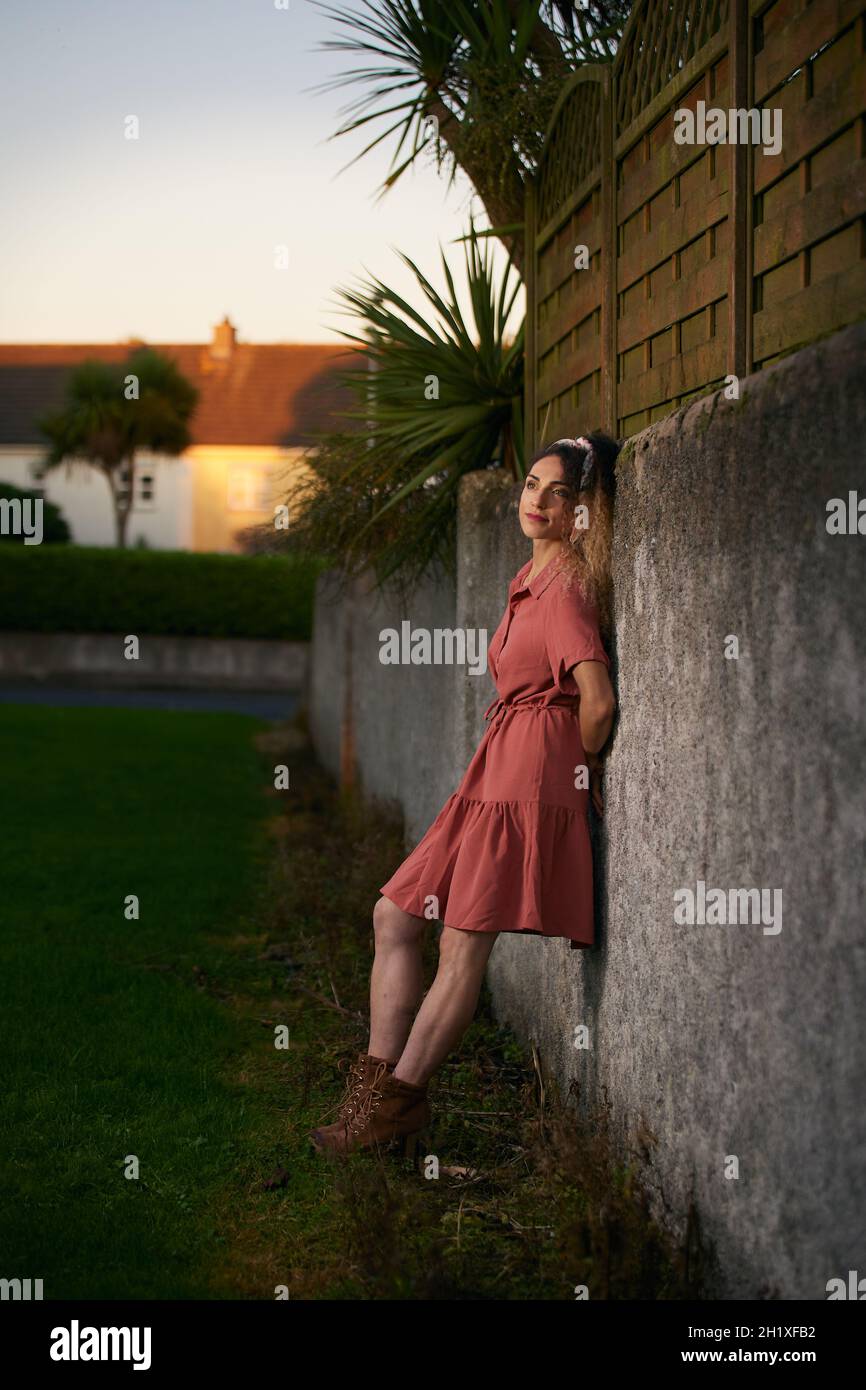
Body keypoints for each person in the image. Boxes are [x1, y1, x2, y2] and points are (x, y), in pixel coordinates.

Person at [309, 432, 619, 1157]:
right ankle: (373, 1089)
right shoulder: (530, 578)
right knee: (394, 914)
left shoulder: (567, 584)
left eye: (558, 493)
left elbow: (596, 700)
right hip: (496, 767)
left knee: (462, 943)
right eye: (531, 486)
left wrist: (587, 767)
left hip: (529, 773)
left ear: (582, 512)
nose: (537, 501)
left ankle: (395, 1107)